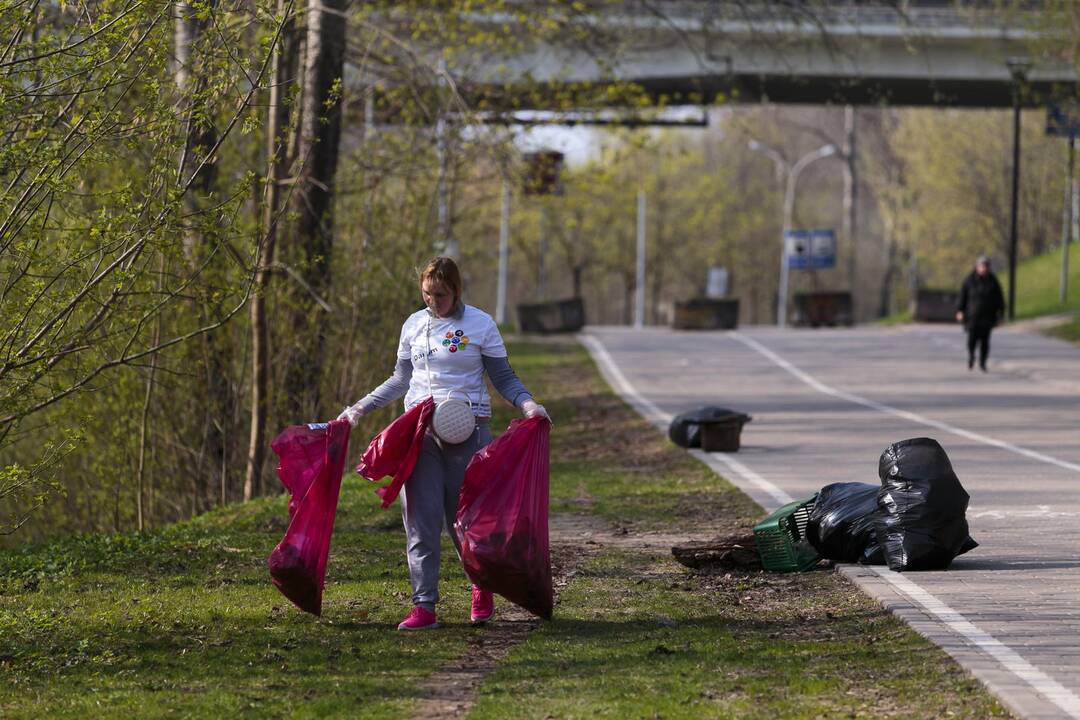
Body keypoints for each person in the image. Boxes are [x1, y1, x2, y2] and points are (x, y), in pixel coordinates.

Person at [337, 257, 549, 631]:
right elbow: (400, 379)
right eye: (426, 294)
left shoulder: (480, 325)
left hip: (469, 431)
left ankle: (480, 586)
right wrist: (359, 408)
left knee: (465, 521)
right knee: (420, 520)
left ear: (456, 291)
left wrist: (528, 404)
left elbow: (503, 377)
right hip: (419, 434)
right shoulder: (413, 326)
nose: (432, 301)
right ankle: (424, 605)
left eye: (440, 294)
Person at [955, 255, 1005, 372]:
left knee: (985, 342)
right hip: (972, 316)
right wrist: (959, 311)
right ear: (977, 267)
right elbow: (962, 296)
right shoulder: (969, 280)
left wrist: (1001, 313)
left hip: (987, 317)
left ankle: (983, 362)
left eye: (986, 266)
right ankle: (971, 356)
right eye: (981, 266)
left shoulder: (993, 281)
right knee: (971, 340)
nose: (984, 268)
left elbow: (999, 298)